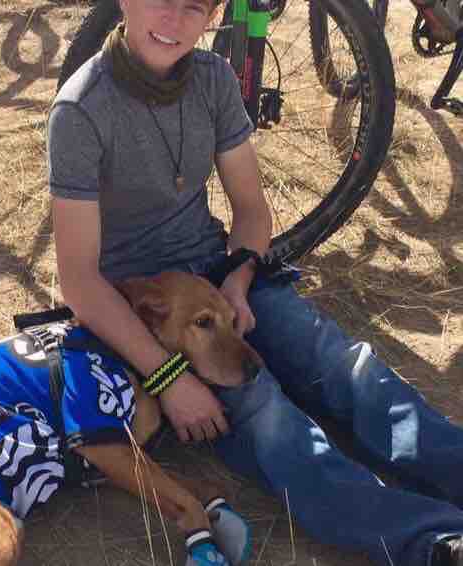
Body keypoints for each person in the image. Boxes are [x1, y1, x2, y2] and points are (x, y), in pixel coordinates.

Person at [46, 0, 463, 565]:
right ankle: (435, 541)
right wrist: (168, 378)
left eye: (193, 7)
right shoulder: (81, 109)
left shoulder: (214, 79)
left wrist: (239, 281)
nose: (173, 21)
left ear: (213, 14)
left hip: (218, 278)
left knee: (344, 364)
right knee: (267, 413)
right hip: (146, 309)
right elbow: (80, 283)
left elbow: (250, 210)